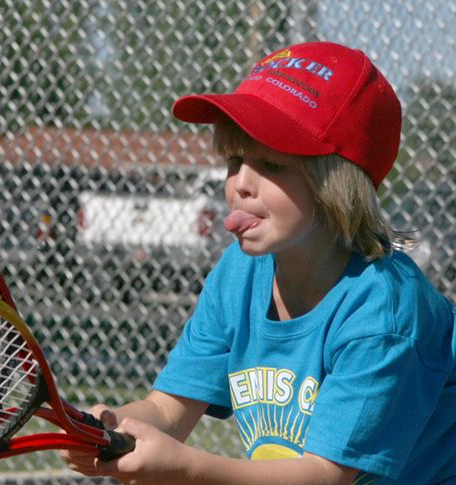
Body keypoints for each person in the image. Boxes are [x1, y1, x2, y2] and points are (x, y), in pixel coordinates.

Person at [61, 41, 456, 484]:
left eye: (271, 164)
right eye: (234, 160)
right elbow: (168, 408)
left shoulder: (383, 311)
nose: (240, 184)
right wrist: (114, 425)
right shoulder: (240, 273)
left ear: (337, 183)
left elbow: (324, 476)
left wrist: (186, 467)